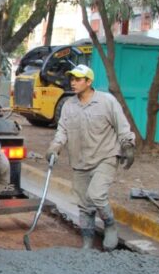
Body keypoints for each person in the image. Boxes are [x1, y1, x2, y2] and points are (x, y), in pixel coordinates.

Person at [46, 64, 135, 251]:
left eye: (78, 79)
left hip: (106, 156)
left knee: (97, 195)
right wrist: (54, 147)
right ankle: (87, 241)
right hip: (80, 161)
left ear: (89, 81)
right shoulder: (69, 106)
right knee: (84, 204)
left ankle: (110, 225)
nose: (73, 83)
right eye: (72, 79)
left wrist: (127, 145)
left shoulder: (106, 102)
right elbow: (62, 130)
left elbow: (122, 126)